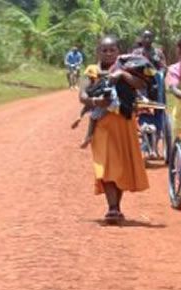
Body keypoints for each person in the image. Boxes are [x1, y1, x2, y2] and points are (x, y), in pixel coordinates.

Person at [77, 35, 150, 224]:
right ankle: (113, 208)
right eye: (104, 50)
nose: (108, 53)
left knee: (121, 166)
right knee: (106, 164)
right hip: (102, 125)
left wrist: (122, 75)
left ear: (119, 51)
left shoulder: (127, 68)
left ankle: (116, 206)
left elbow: (141, 84)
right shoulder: (92, 71)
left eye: (112, 50)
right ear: (97, 52)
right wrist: (96, 101)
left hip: (124, 123)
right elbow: (82, 95)